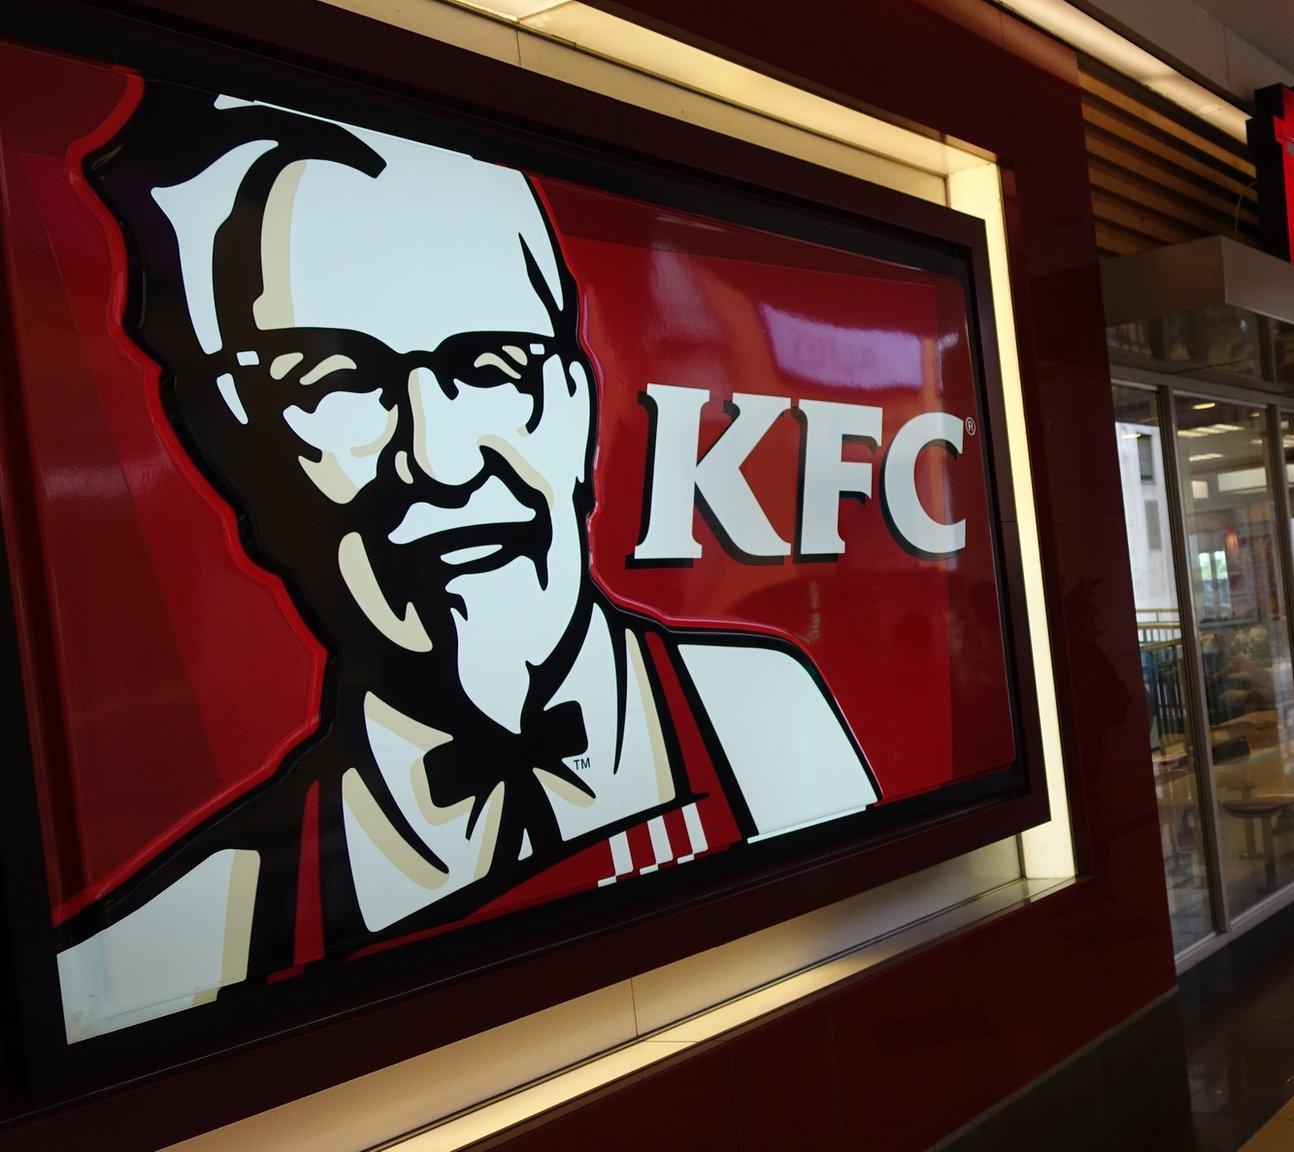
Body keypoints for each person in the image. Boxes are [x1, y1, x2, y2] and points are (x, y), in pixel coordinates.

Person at [60, 86, 880, 1042]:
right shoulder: (180, 956)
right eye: (334, 382)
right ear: (232, 458)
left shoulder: (767, 717)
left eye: (490, 367)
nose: (442, 460)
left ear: (576, 409)